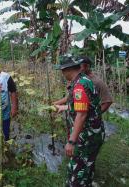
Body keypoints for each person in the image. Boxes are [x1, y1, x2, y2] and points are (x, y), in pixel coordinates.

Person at [54, 55, 105, 187]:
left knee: (76, 175)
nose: (62, 74)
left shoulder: (79, 87)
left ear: (67, 70)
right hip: (94, 134)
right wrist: (64, 107)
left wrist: (71, 141)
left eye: (62, 71)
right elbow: (84, 107)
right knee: (87, 169)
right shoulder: (85, 80)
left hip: (86, 138)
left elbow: (81, 115)